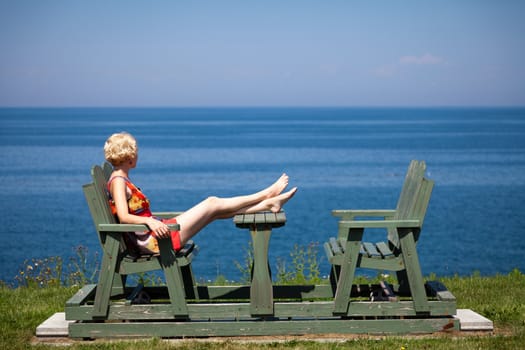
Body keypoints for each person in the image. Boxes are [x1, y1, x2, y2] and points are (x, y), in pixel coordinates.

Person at [104, 132, 297, 254]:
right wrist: (150, 221)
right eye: (136, 152)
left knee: (214, 211)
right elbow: (123, 216)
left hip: (157, 233)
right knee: (212, 203)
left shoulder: (122, 180)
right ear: (129, 157)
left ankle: (267, 204)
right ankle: (265, 195)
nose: (138, 155)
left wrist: (152, 222)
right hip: (154, 242)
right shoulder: (118, 182)